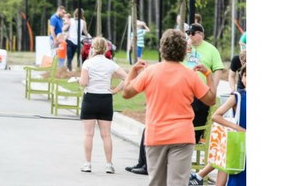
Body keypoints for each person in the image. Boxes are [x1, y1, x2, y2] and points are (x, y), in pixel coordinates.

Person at [127, 22, 224, 176]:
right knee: (177, 181)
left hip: (159, 131)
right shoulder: (190, 74)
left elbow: (126, 93)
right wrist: (208, 76)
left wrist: (132, 71)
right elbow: (211, 99)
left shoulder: (151, 72)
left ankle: (145, 165)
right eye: (188, 34)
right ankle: (142, 163)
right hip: (181, 134)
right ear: (182, 50)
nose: (191, 36)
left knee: (157, 181)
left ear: (162, 48)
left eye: (193, 33)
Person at [79, 37, 128, 174]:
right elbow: (127, 77)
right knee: (106, 135)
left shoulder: (88, 63)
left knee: (88, 134)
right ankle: (109, 164)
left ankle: (88, 164)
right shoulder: (110, 64)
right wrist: (116, 90)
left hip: (90, 99)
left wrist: (78, 80)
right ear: (106, 48)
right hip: (106, 99)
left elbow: (83, 82)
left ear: (93, 48)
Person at [210, 65, 247, 186]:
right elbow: (216, 116)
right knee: (238, 179)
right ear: (242, 78)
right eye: (246, 75)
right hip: (241, 144)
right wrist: (238, 128)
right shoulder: (238, 96)